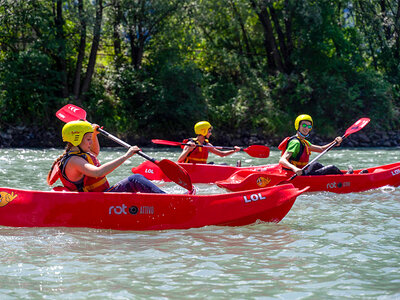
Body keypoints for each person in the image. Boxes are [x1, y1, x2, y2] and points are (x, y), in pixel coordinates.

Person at [47, 120, 165, 193]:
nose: (90, 142)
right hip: (95, 201)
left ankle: (162, 199)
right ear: (76, 139)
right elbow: (98, 173)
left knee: (136, 179)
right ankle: (168, 200)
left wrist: (94, 134)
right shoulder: (75, 161)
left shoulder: (76, 155)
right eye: (88, 139)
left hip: (99, 196)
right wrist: (126, 156)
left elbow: (93, 153)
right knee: (136, 179)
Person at [278, 114, 353, 176]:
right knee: (331, 167)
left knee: (316, 164)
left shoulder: (304, 142)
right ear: (298, 126)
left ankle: (334, 176)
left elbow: (321, 149)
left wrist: (334, 142)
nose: (306, 128)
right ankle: (347, 177)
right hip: (297, 174)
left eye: (309, 126)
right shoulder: (296, 142)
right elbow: (282, 160)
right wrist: (295, 169)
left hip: (301, 171)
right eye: (304, 125)